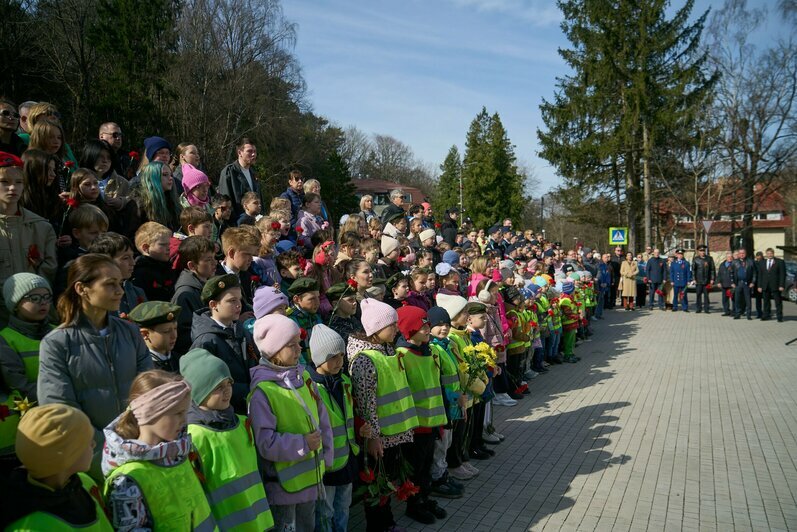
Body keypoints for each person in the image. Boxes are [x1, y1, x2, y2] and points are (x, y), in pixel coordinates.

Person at [38, 254, 152, 479]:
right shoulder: (57, 343)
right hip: (90, 459)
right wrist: (109, 452)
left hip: (141, 448)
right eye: (110, 284)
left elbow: (150, 389)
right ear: (82, 288)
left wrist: (142, 439)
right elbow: (61, 409)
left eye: (119, 283)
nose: (119, 291)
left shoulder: (129, 332)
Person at [249, 314, 334, 532]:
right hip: (283, 487)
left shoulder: (304, 379)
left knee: (308, 526)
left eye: (299, 343)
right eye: (291, 345)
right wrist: (303, 443)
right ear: (274, 351)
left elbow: (322, 420)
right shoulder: (263, 392)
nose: (299, 349)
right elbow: (265, 443)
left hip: (311, 477)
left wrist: (327, 455)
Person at [103, 370, 216, 531]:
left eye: (185, 412)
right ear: (150, 413)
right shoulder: (127, 480)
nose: (184, 420)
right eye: (177, 413)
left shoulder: (178, 456)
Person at [180, 348, 274, 531]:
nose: (227, 392)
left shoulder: (243, 423)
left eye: (228, 383)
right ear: (200, 392)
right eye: (218, 387)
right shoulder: (194, 436)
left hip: (260, 521)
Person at [0, 404, 112, 531]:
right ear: (65, 457)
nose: (94, 444)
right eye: (86, 441)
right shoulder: (32, 526)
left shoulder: (84, 482)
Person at [308, 324, 362, 532]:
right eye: (333, 357)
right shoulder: (312, 388)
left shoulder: (344, 381)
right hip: (327, 465)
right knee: (325, 511)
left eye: (341, 355)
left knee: (343, 507)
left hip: (347, 457)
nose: (340, 362)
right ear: (319, 359)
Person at [0, 153, 58, 323]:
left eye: (19, 182)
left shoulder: (41, 227)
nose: (13, 188)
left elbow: (49, 269)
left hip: (34, 316)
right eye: (4, 182)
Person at [191, 274, 257, 414]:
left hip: (250, 404)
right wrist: (248, 390)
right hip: (226, 410)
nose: (239, 305)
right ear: (213, 305)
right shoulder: (206, 340)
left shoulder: (240, 330)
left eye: (239, 299)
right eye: (231, 301)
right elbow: (208, 385)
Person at [128, 301, 182, 372]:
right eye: (166, 331)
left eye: (175, 328)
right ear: (145, 334)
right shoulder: (140, 368)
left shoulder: (181, 360)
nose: (174, 336)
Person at [757, 248, 786, 322]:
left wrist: (781, 285)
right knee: (766, 301)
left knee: (778, 301)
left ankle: (779, 316)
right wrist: (759, 286)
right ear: (766, 254)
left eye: (771, 253)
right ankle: (766, 315)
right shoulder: (762, 262)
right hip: (765, 285)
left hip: (776, 285)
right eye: (768, 253)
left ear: (773, 253)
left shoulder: (780, 262)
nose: (769, 255)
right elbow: (760, 275)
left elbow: (782, 274)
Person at [732, 248, 756, 320]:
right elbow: (731, 273)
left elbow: (755, 273)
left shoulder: (751, 262)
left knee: (748, 300)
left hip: (747, 284)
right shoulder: (734, 262)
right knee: (737, 299)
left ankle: (748, 315)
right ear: (738, 254)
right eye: (740, 253)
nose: (742, 255)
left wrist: (753, 282)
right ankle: (738, 314)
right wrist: (732, 282)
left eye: (743, 253)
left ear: (745, 254)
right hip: (738, 283)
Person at [692, 245, 716, 313]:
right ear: (698, 252)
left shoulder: (709, 259)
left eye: (703, 251)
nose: (702, 252)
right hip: (698, 281)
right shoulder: (696, 259)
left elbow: (712, 269)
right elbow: (693, 270)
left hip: (707, 281)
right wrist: (694, 279)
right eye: (701, 251)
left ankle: (706, 309)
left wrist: (712, 279)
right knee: (698, 295)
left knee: (706, 295)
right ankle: (698, 309)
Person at [717, 251, 736, 316]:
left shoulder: (734, 264)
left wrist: (734, 283)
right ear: (726, 257)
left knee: (733, 299)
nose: (729, 258)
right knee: (725, 299)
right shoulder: (722, 264)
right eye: (728, 257)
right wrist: (718, 282)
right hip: (724, 285)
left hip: (731, 285)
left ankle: (734, 312)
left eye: (731, 257)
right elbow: (719, 274)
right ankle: (726, 311)